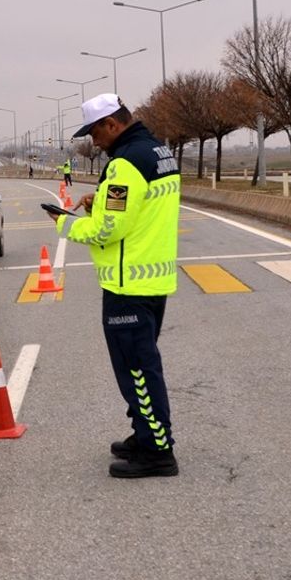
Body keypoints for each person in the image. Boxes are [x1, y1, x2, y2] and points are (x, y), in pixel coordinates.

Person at [46, 93, 181, 478]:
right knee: (141, 365)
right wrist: (101, 199)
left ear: (111, 124)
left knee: (137, 370)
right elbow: (139, 210)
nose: (94, 141)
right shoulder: (157, 153)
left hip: (128, 285)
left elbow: (110, 228)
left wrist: (65, 223)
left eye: (94, 132)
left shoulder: (124, 165)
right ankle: (145, 434)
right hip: (152, 279)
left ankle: (158, 450)